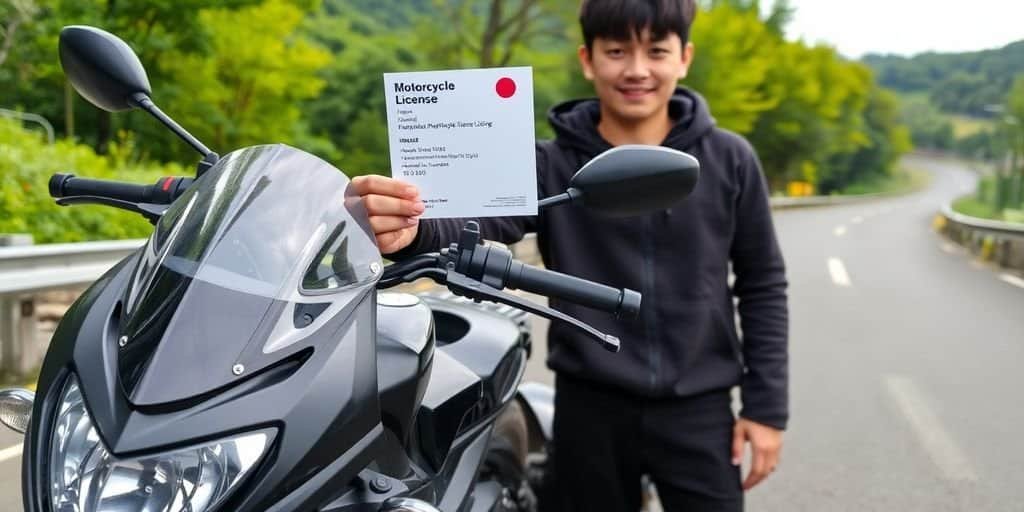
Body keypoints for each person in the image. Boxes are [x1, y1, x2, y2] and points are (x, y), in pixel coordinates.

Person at [352, 0, 789, 510]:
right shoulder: (547, 161)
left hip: (700, 407)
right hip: (588, 404)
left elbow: (762, 284)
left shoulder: (730, 159)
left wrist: (767, 409)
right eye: (617, 50)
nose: (637, 69)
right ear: (588, 58)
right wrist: (407, 225)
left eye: (657, 51)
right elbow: (474, 218)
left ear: (684, 57)